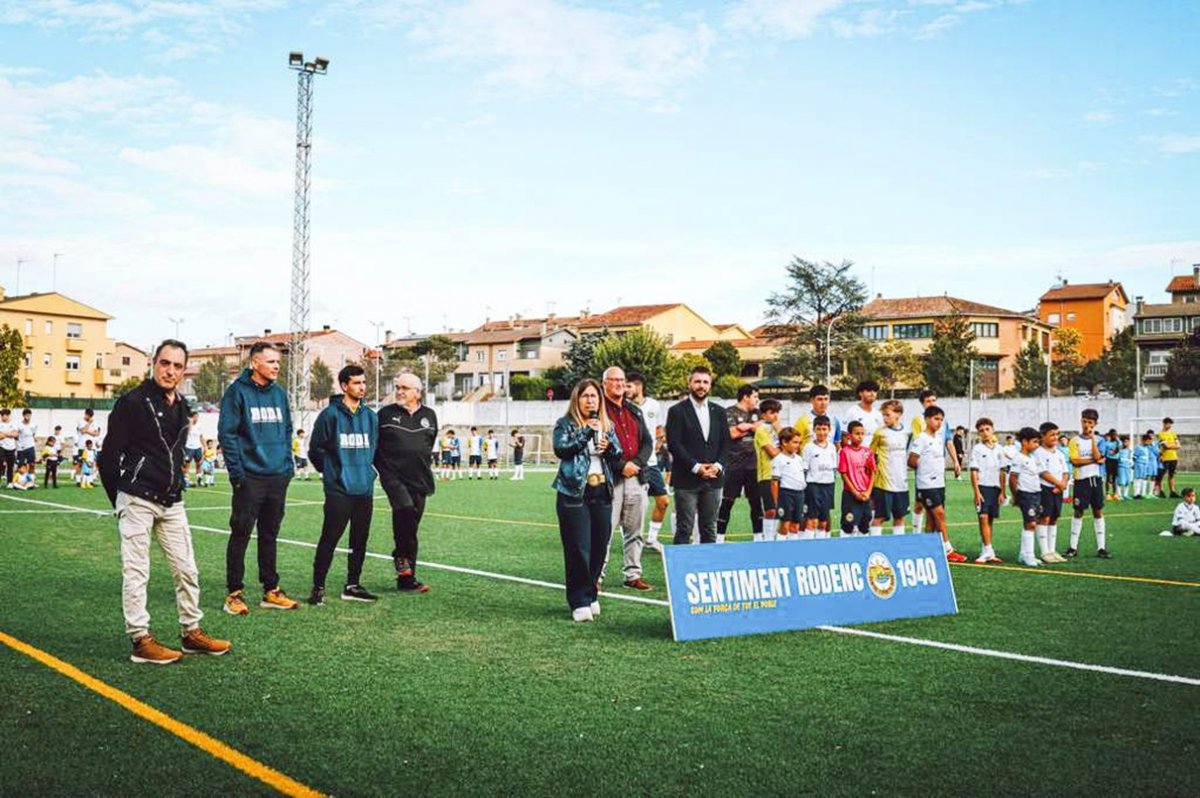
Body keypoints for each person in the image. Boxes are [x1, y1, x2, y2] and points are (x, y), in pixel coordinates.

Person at [98, 338, 230, 665]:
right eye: (164, 363)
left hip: (172, 501)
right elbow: (108, 455)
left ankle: (191, 632)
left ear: (184, 371)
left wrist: (175, 486)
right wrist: (119, 498)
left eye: (176, 366)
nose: (170, 371)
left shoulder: (184, 406)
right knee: (136, 571)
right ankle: (141, 639)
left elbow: (174, 454)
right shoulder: (131, 402)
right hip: (136, 499)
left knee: (187, 569)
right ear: (153, 364)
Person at [218, 341, 300, 616]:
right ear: (255, 363)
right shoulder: (236, 393)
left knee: (270, 534)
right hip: (250, 477)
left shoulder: (279, 394)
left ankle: (270, 590)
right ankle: (234, 593)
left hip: (278, 476)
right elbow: (227, 435)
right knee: (241, 533)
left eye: (278, 361)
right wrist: (237, 474)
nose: (277, 366)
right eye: (271, 361)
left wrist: (287, 466)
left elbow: (287, 430)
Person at [308, 364, 380, 605]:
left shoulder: (370, 417)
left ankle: (352, 584)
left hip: (364, 489)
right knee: (330, 538)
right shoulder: (329, 415)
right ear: (344, 386)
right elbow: (315, 451)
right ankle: (318, 587)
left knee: (360, 540)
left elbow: (375, 450)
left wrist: (369, 474)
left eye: (364, 382)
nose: (362, 387)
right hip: (339, 490)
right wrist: (333, 474)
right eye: (357, 383)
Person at [553, 378, 623, 622]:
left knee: (599, 547)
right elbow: (561, 449)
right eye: (585, 396)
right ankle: (579, 600)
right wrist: (585, 433)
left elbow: (618, 453)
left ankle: (592, 593)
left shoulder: (607, 424)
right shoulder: (566, 424)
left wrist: (609, 447)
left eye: (594, 396)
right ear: (577, 399)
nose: (590, 400)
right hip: (574, 493)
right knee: (578, 548)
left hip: (602, 490)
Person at [376, 372, 438, 593]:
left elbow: (428, 443)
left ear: (417, 393)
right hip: (393, 476)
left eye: (405, 388)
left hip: (420, 478)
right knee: (404, 509)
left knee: (411, 527)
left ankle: (407, 579)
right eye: (397, 387)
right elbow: (375, 445)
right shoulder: (384, 414)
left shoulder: (429, 415)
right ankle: (400, 556)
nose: (399, 392)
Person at [600, 366, 654, 590]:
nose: (619, 384)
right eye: (614, 380)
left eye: (622, 380)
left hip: (637, 477)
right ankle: (596, 576)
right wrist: (621, 465)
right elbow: (597, 446)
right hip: (610, 478)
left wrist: (637, 464)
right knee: (604, 531)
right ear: (604, 383)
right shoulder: (599, 410)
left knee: (635, 530)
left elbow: (648, 443)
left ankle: (632, 574)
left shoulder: (634, 411)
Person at [665, 366, 729, 545]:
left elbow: (726, 444)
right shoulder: (676, 411)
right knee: (684, 527)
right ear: (690, 383)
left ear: (710, 385)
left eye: (705, 382)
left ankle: (707, 570)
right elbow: (674, 444)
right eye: (698, 381)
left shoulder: (719, 411)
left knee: (709, 528)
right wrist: (697, 467)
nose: (701, 386)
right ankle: (681, 570)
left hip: (714, 479)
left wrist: (717, 466)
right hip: (686, 479)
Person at [908, 405, 968, 562]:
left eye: (941, 419)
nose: (939, 422)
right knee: (939, 514)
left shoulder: (938, 438)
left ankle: (927, 549)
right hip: (927, 484)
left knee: (932, 518)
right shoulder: (921, 439)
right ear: (927, 419)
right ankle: (948, 549)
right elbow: (912, 461)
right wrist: (926, 470)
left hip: (939, 483)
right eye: (936, 419)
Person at [626, 372, 671, 552]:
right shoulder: (624, 407)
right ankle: (629, 539)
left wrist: (659, 443)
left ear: (639, 386)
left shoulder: (654, 405)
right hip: (631, 463)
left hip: (650, 463)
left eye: (629, 386)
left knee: (663, 501)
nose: (625, 389)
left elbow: (659, 429)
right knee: (631, 505)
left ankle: (652, 539)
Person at [717, 384, 763, 544]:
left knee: (756, 502)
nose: (757, 400)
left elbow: (762, 427)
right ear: (746, 396)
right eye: (755, 396)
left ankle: (758, 536)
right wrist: (750, 429)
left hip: (754, 465)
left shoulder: (757, 413)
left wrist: (748, 426)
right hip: (734, 464)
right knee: (727, 501)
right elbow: (732, 433)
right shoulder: (729, 412)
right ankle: (719, 537)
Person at [910, 390, 961, 531]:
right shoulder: (919, 420)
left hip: (938, 470)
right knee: (921, 504)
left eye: (933, 400)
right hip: (925, 470)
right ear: (922, 404)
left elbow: (948, 441)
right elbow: (918, 441)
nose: (931, 403)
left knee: (934, 510)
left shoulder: (942, 421)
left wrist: (956, 461)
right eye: (928, 401)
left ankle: (930, 541)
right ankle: (917, 534)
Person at [1067, 408, 1109, 559]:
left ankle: (1101, 547)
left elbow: (1100, 456)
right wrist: (1095, 460)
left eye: (1090, 422)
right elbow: (1075, 461)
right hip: (1081, 481)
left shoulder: (1100, 440)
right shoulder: (1074, 441)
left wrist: (1092, 439)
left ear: (1095, 424)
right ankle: (1072, 547)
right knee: (1078, 511)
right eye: (1084, 421)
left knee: (1098, 511)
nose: (1086, 425)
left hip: (1096, 480)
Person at [868, 399, 910, 536]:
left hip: (901, 483)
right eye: (883, 415)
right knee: (879, 517)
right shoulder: (880, 433)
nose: (884, 418)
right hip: (883, 483)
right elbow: (870, 455)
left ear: (898, 414)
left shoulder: (907, 432)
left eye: (888, 415)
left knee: (900, 517)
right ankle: (874, 548)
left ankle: (897, 549)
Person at [969, 418, 1004, 563]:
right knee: (982, 517)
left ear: (993, 430)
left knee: (989, 519)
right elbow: (974, 472)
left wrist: (1003, 491)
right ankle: (987, 550)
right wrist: (976, 492)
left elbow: (1003, 471)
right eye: (981, 431)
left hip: (995, 488)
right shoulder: (977, 449)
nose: (985, 432)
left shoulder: (999, 449)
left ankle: (988, 550)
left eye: (987, 429)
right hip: (983, 487)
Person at [1033, 422, 1069, 563]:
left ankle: (1052, 550)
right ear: (1043, 436)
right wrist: (1058, 484)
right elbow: (1043, 472)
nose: (1055, 437)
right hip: (1045, 489)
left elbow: (1066, 471)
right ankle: (1044, 552)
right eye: (1052, 434)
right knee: (1044, 518)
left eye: (1057, 434)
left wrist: (1063, 484)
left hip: (1058, 489)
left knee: (1054, 518)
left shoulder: (1059, 453)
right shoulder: (1038, 453)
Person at [1009, 427, 1044, 567]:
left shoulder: (1032, 457)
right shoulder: (1019, 458)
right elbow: (1012, 478)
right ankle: (1029, 556)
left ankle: (1023, 554)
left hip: (1036, 493)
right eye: (1035, 442)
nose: (1037, 445)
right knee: (1031, 523)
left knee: (1030, 522)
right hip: (1026, 494)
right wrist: (1015, 495)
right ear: (1024, 442)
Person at [801, 416, 837, 539]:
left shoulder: (832, 447)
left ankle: (821, 548)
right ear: (814, 430)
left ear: (829, 430)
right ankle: (807, 547)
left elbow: (834, 468)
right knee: (812, 519)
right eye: (819, 429)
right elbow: (804, 469)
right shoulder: (809, 447)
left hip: (828, 486)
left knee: (823, 520)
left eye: (824, 429)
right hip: (813, 486)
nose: (822, 432)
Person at [838, 420, 876, 537]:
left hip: (865, 494)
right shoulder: (845, 452)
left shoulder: (868, 452)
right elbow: (843, 474)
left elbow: (873, 472)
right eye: (857, 433)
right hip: (850, 494)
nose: (860, 437)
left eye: (862, 434)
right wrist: (855, 492)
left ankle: (861, 550)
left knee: (865, 524)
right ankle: (844, 549)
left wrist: (868, 492)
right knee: (848, 524)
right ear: (849, 436)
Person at [754, 399, 783, 541]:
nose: (775, 415)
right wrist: (781, 435)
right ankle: (768, 538)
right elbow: (773, 452)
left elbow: (793, 447)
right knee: (770, 510)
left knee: (781, 509)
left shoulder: (779, 429)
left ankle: (777, 538)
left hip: (782, 474)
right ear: (764, 415)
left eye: (777, 412)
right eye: (772, 412)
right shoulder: (761, 430)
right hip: (767, 475)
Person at [771, 427, 805, 540]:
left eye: (799, 443)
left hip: (799, 494)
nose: (797, 445)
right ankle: (780, 551)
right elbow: (774, 482)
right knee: (785, 525)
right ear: (784, 442)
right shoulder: (778, 459)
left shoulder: (799, 459)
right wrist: (777, 502)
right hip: (786, 495)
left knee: (796, 525)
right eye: (795, 442)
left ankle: (792, 552)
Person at [76, 408, 101, 484]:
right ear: (85, 414)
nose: (90, 418)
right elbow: (83, 431)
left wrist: (87, 431)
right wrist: (89, 424)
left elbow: (96, 434)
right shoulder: (80, 421)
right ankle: (78, 480)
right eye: (88, 416)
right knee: (80, 463)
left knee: (92, 463)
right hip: (82, 446)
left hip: (92, 447)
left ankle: (90, 481)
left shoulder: (95, 422)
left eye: (91, 416)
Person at [1157, 417, 1181, 498]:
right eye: (1167, 423)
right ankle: (1161, 491)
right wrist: (1173, 445)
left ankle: (1172, 492)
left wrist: (1171, 446)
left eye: (1170, 424)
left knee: (1171, 475)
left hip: (1174, 457)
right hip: (1164, 457)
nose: (1169, 425)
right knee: (1161, 475)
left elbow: (1179, 446)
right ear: (1164, 423)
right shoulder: (1161, 434)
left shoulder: (1173, 434)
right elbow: (1165, 446)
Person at [1133, 433, 1159, 500]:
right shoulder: (1138, 447)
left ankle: (1142, 493)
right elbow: (1134, 457)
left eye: (1150, 441)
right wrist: (1134, 465)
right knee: (1137, 479)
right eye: (1148, 441)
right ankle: (1136, 494)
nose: (1149, 443)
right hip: (1139, 465)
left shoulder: (1147, 448)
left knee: (1143, 479)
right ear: (1143, 440)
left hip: (1145, 465)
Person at [184, 411, 202, 486]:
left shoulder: (199, 426)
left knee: (199, 464)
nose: (196, 418)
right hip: (189, 447)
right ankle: (186, 480)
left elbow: (201, 436)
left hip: (197, 447)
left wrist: (205, 447)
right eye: (195, 417)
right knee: (186, 464)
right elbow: (188, 432)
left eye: (197, 417)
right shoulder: (187, 425)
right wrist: (190, 423)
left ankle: (199, 480)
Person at [1102, 428, 1120, 500]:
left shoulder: (1118, 442)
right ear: (1110, 435)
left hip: (1115, 460)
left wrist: (1117, 442)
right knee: (1109, 477)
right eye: (1113, 435)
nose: (1114, 436)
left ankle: (1115, 493)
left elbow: (1118, 449)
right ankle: (1107, 493)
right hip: (1109, 460)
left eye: (1115, 434)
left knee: (1115, 478)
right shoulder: (1107, 443)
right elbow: (1105, 453)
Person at [0, 408, 17, 485]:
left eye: (4, 415)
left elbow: (15, 434)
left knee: (10, 465)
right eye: (1, 415)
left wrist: (4, 433)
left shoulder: (13, 424)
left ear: (8, 415)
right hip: (1, 446)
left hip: (11, 447)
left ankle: (9, 482)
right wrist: (10, 434)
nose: (2, 417)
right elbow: (0, 437)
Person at [1116, 435, 1133, 501]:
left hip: (1128, 468)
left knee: (1127, 481)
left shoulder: (1129, 451)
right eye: (1125, 442)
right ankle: (1119, 495)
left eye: (1128, 442)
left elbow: (1130, 459)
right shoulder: (1119, 450)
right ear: (1122, 442)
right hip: (1121, 467)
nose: (1127, 443)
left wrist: (1131, 464)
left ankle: (1125, 494)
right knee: (1121, 481)